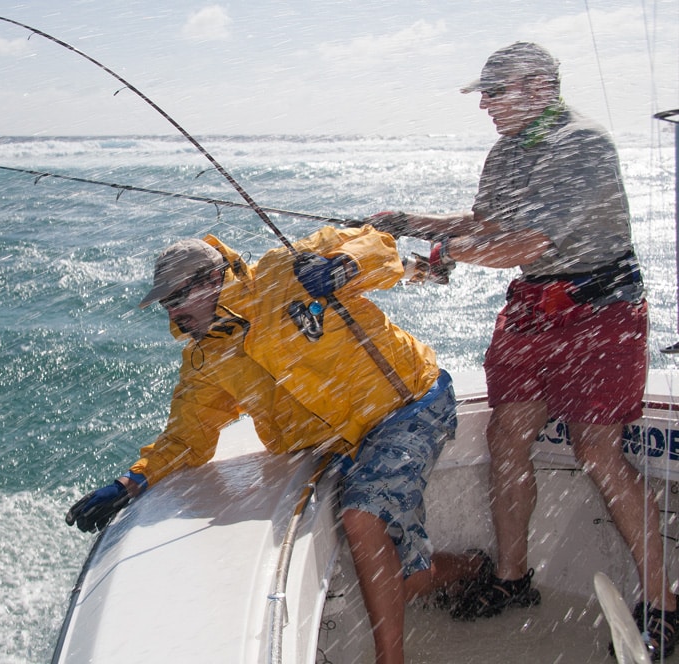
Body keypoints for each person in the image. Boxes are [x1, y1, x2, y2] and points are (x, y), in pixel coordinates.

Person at [374, 42, 677, 658]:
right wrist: (410, 221)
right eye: (482, 95)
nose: (484, 105)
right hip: (532, 312)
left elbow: (530, 244)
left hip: (601, 311)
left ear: (539, 88)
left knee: (597, 449)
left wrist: (444, 255)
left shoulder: (582, 145)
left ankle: (664, 603)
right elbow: (488, 223)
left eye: (494, 93)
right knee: (507, 435)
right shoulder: (506, 151)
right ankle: (513, 580)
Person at [66, 224, 488, 664]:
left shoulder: (285, 270)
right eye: (166, 305)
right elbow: (187, 437)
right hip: (343, 444)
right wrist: (132, 481)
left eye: (175, 300)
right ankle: (472, 569)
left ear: (211, 281)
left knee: (362, 516)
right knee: (399, 581)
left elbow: (381, 246)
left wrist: (343, 267)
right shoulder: (205, 358)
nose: (172, 316)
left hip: (408, 406)